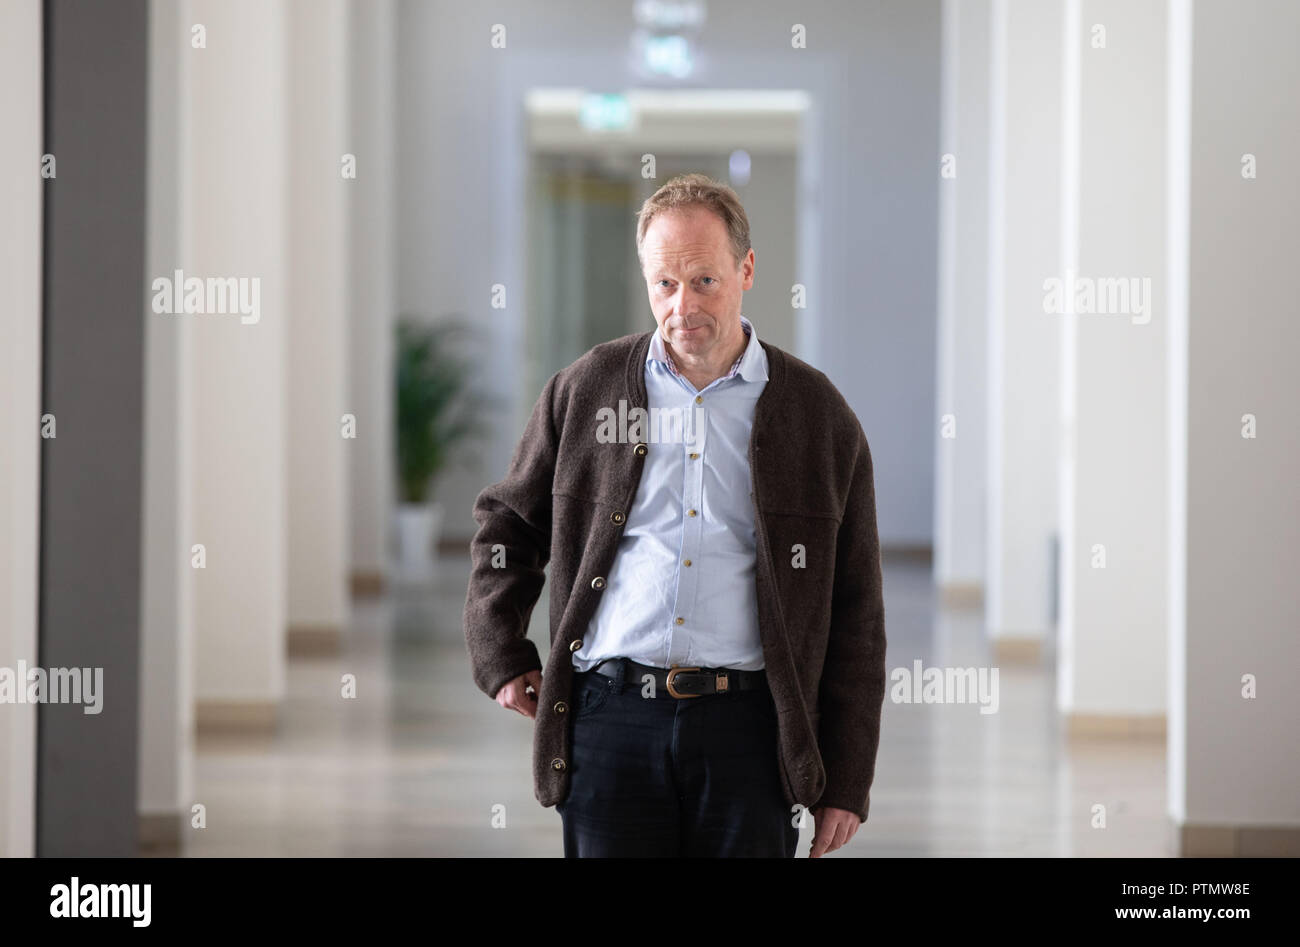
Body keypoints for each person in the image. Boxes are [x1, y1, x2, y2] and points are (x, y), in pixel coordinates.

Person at [463, 173, 886, 857]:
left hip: (751, 731)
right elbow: (506, 520)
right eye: (664, 284)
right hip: (609, 720)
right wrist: (500, 649)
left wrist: (848, 777)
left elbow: (858, 613)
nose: (682, 305)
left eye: (704, 281)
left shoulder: (817, 414)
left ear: (746, 270)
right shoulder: (588, 388)